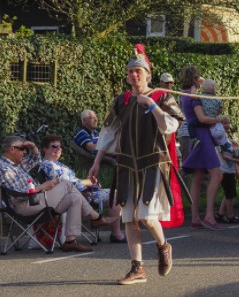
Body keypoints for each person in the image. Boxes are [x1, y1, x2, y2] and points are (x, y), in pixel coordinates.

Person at [88, 44, 184, 285]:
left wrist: (151, 105)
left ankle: (163, 246)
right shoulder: (122, 100)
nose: (134, 75)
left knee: (148, 218)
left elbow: (171, 126)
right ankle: (137, 267)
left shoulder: (162, 96)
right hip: (127, 165)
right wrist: (97, 162)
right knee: (129, 218)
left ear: (147, 74)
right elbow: (108, 132)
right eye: (131, 71)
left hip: (152, 165)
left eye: (138, 71)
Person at [0, 136, 117, 253]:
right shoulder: (4, 167)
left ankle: (70, 241)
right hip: (24, 205)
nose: (25, 152)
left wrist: (33, 147)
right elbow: (20, 193)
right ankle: (96, 218)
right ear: (12, 149)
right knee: (66, 184)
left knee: (74, 197)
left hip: (35, 200)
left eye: (25, 149)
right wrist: (43, 187)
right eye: (22, 149)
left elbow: (35, 160)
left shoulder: (16, 164)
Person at [39, 134, 126, 243]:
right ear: (45, 149)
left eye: (59, 147)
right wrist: (88, 182)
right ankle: (114, 233)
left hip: (78, 193)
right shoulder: (48, 166)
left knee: (113, 193)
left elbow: (72, 182)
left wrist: (89, 184)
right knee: (115, 194)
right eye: (54, 146)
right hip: (68, 198)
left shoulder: (58, 165)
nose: (58, 149)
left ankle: (105, 226)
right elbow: (67, 184)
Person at [179, 65, 224, 231]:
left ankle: (196, 217)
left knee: (197, 177)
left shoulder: (184, 95)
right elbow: (203, 118)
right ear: (196, 79)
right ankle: (209, 216)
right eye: (199, 77)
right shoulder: (194, 97)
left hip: (196, 136)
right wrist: (219, 118)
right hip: (203, 136)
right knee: (217, 175)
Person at [215, 118, 239, 224]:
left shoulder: (227, 139)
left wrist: (237, 152)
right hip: (225, 170)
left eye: (228, 123)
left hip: (229, 170)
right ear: (219, 125)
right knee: (230, 194)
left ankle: (220, 214)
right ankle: (230, 216)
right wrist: (237, 159)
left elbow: (229, 153)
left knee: (229, 192)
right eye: (224, 123)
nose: (227, 125)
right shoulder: (221, 139)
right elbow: (224, 156)